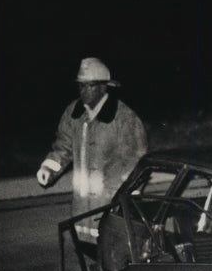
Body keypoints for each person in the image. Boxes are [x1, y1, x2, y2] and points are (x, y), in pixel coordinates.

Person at [36, 57, 147, 243]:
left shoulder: (124, 118)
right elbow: (63, 146)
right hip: (82, 209)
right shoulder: (74, 113)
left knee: (113, 254)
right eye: (81, 86)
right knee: (88, 252)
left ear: (104, 87)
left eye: (90, 86)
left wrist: (113, 192)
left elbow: (134, 160)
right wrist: (49, 169)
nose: (84, 91)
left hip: (112, 205)